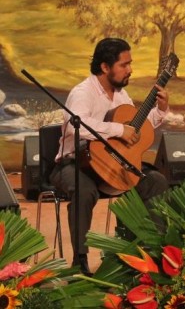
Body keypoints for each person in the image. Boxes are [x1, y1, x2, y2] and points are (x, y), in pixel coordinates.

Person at [50, 38, 171, 275]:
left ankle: (149, 254)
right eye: (124, 65)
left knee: (155, 181)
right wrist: (118, 130)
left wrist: (162, 110)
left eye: (130, 64)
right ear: (105, 67)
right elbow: (78, 127)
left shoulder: (121, 96)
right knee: (84, 190)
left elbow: (138, 129)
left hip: (112, 167)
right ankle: (80, 262)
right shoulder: (82, 93)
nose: (130, 70)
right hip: (75, 164)